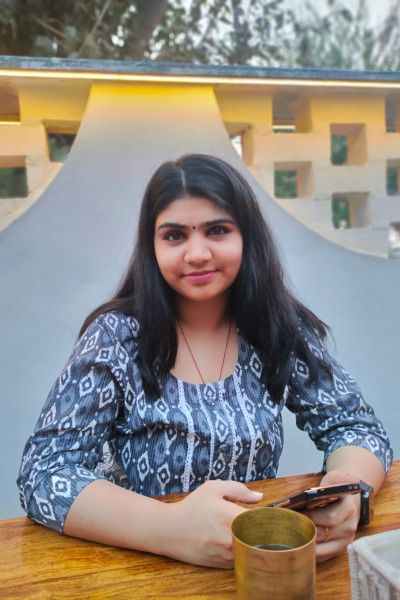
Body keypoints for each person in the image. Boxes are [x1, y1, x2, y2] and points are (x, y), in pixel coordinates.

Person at [18, 154, 392, 568]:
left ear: (247, 237)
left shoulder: (277, 329)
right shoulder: (116, 338)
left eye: (217, 230)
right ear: (152, 246)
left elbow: (355, 426)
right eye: (174, 236)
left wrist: (349, 490)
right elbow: (44, 472)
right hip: (144, 566)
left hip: (256, 564)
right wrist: (170, 528)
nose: (197, 253)